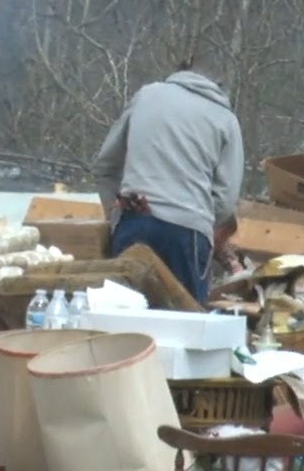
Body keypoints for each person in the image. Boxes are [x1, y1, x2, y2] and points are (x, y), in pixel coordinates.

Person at [92, 60, 245, 304]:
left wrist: (115, 212)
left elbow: (104, 167)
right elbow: (226, 200)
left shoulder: (147, 96)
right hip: (187, 236)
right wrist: (198, 218)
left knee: (125, 319)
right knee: (185, 324)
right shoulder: (225, 119)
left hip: (135, 221)